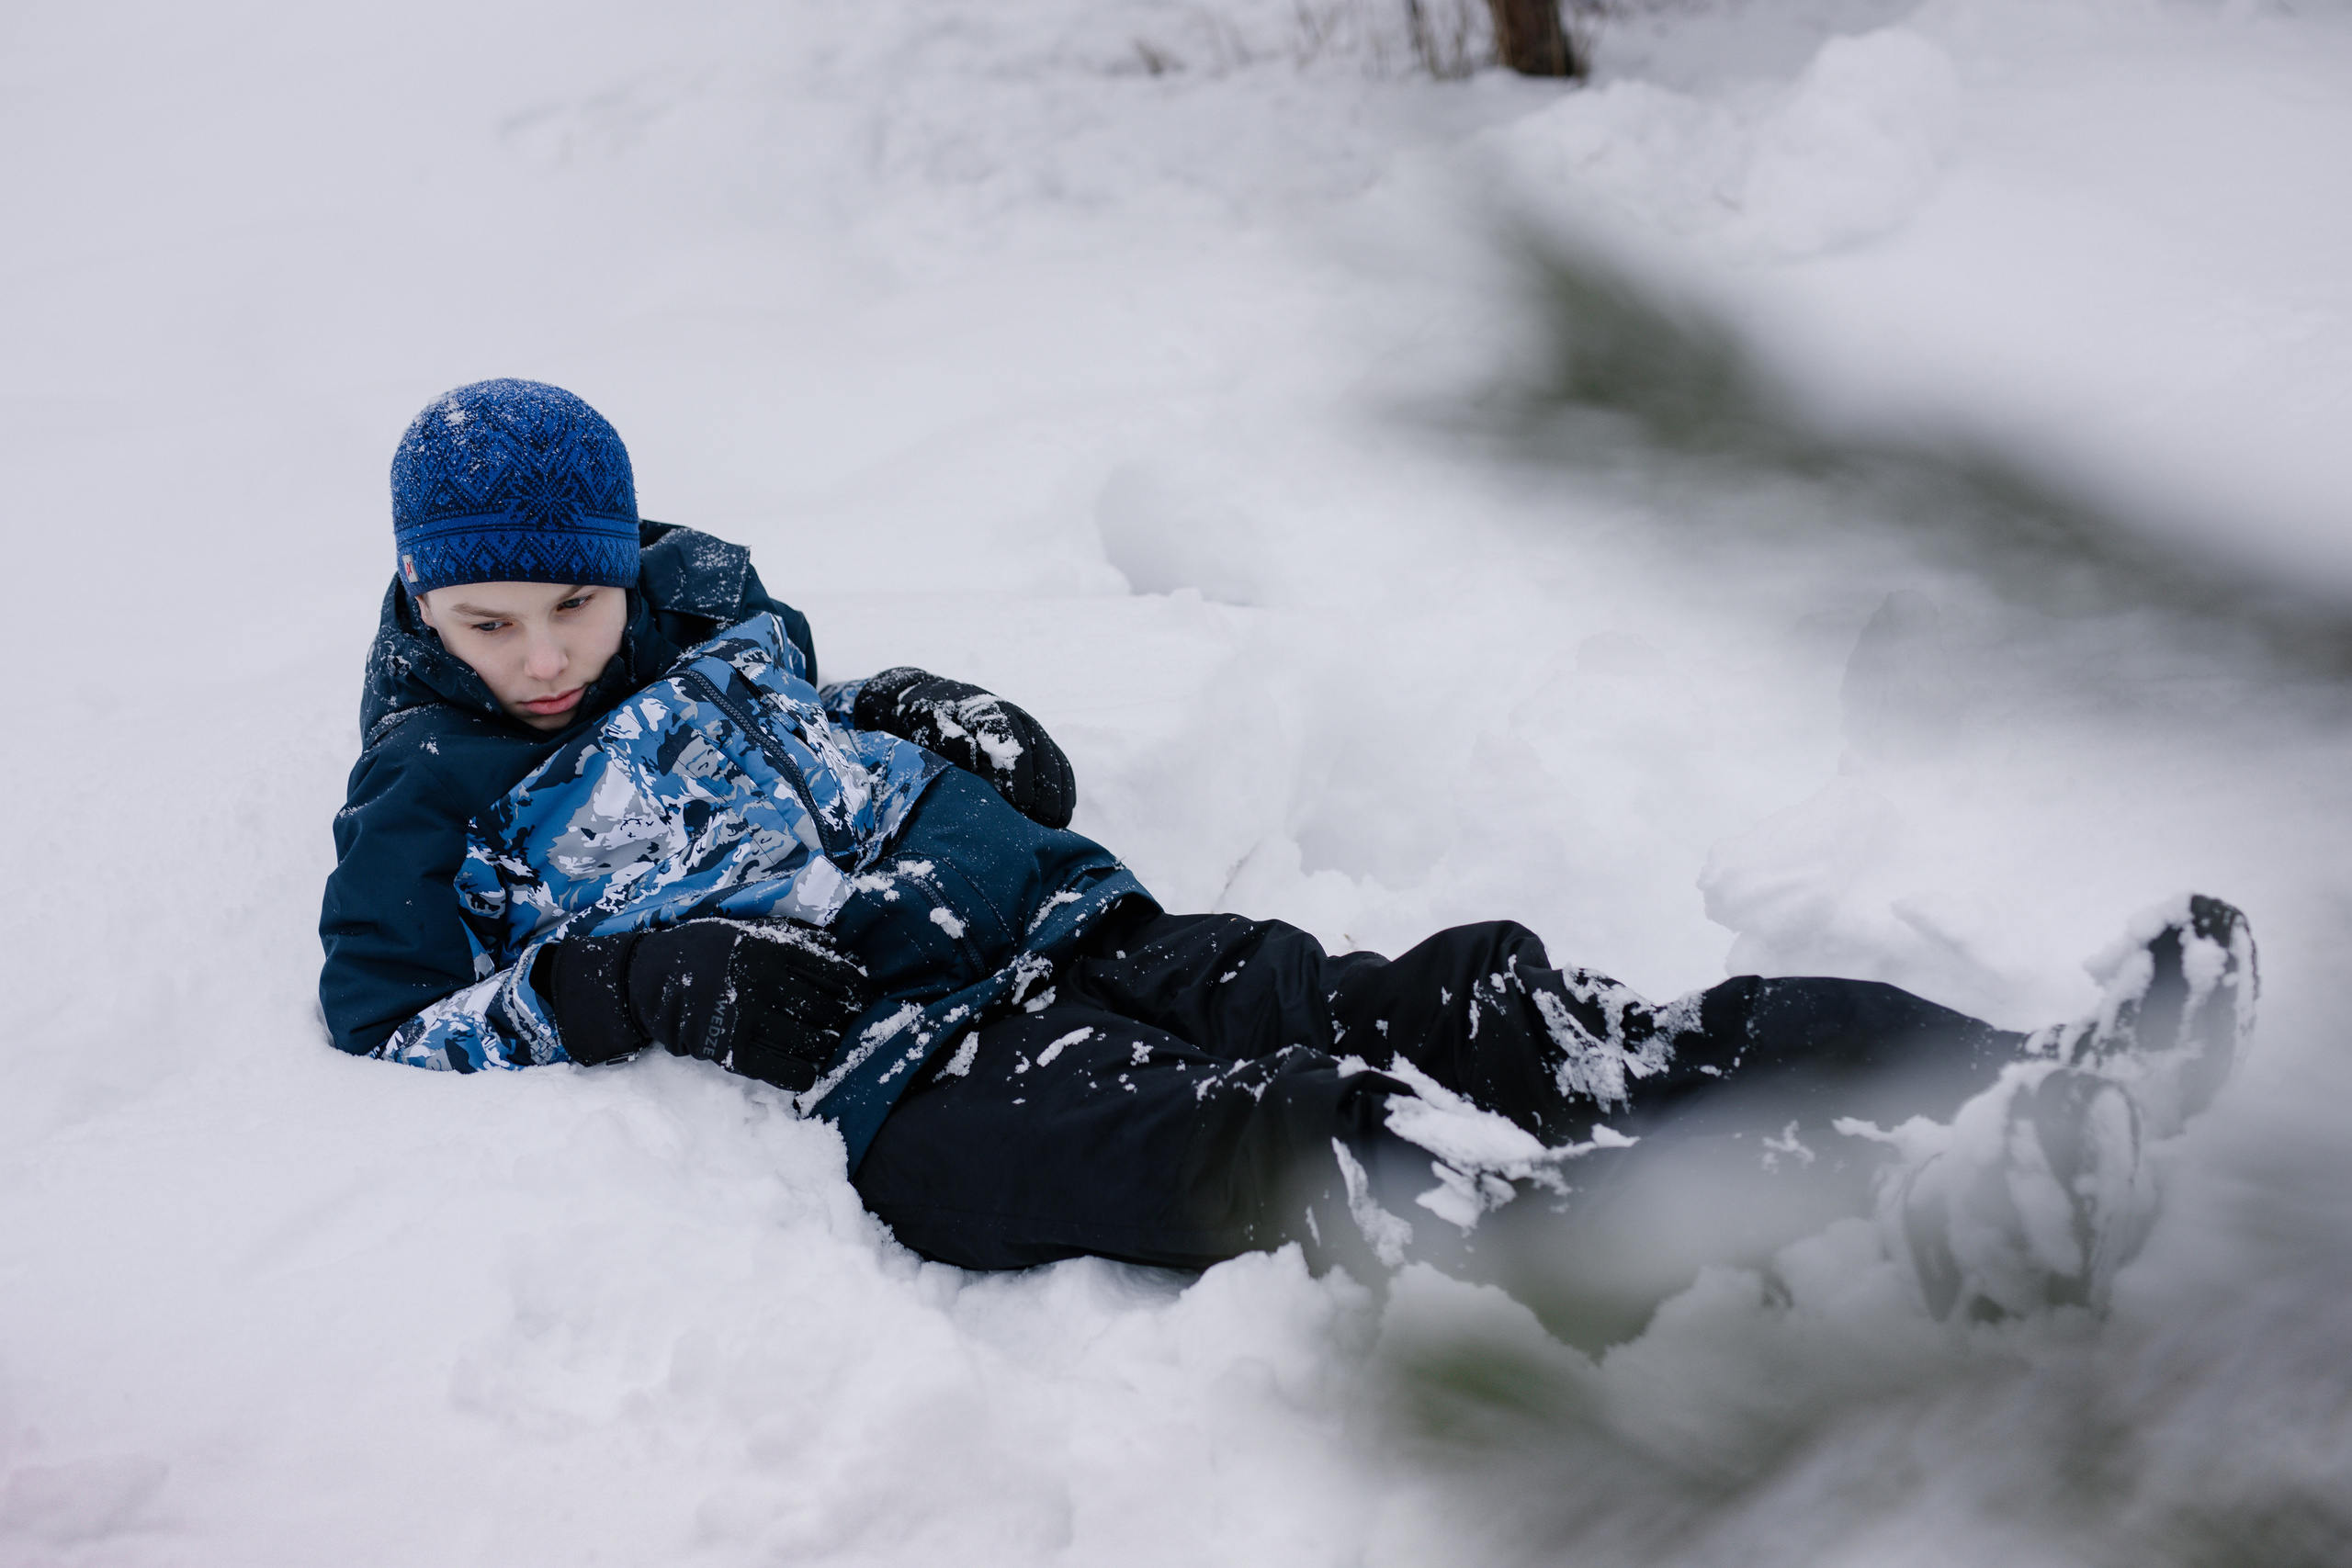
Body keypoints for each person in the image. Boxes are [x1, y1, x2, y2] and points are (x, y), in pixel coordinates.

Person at [322, 379, 2257, 1335]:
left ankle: (2010, 1089)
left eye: (565, 603)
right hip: (918, 1079)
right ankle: (1861, 1242)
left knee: (1482, 999)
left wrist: (941, 716)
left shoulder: (707, 619)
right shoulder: (429, 786)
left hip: (1071, 931)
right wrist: (631, 972)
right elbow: (387, 1007)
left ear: (617, 559)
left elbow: (820, 720)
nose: (540, 656)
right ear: (426, 600)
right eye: (486, 623)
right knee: (1315, 1130)